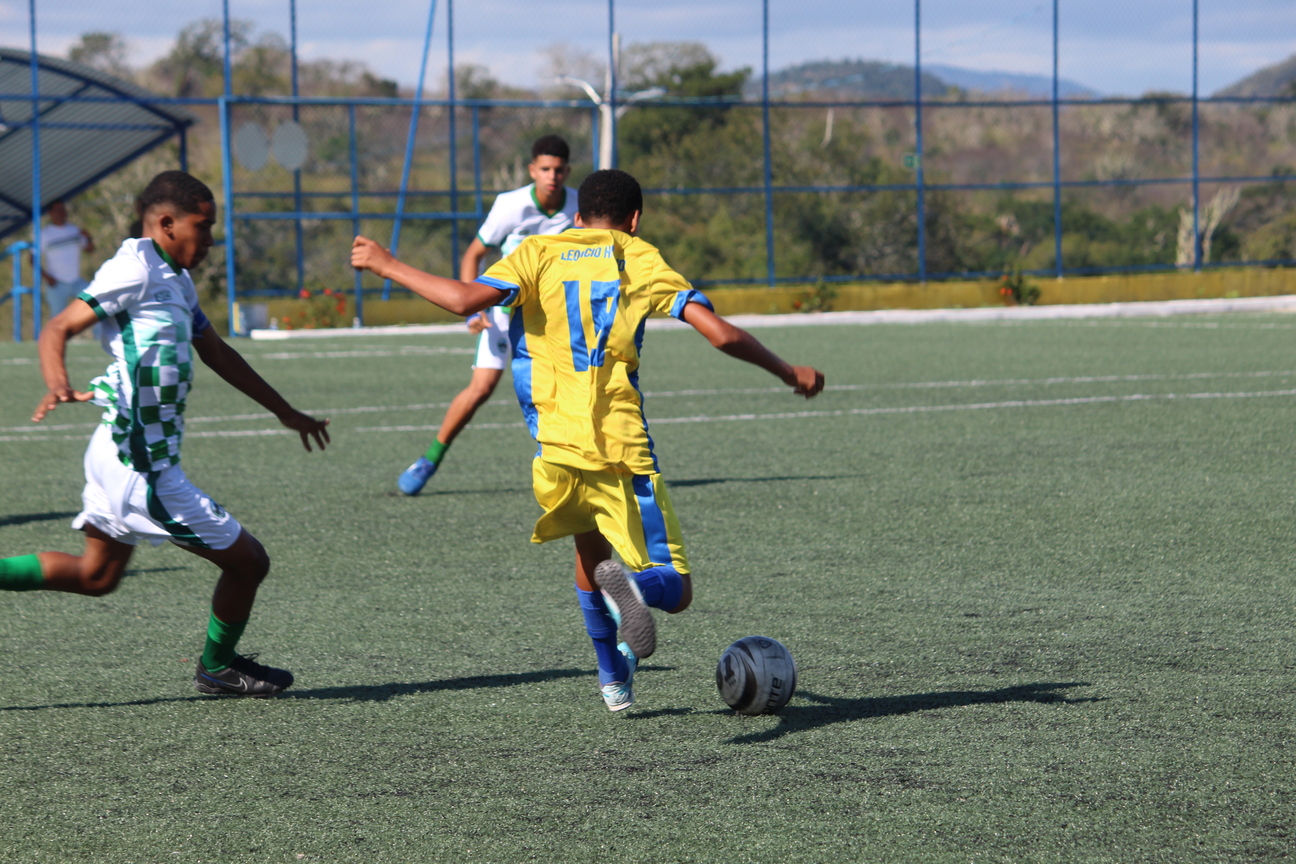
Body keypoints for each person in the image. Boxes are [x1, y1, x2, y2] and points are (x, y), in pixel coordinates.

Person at [352, 169, 825, 712]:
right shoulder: (639, 257)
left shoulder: (537, 251)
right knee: (675, 588)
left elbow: (462, 300)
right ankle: (636, 596)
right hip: (620, 446)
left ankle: (613, 674)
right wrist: (788, 371)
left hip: (554, 444)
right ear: (635, 219)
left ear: (577, 216)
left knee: (590, 553)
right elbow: (721, 334)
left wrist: (388, 265)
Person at [0, 171, 330, 697]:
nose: (212, 240)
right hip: (139, 464)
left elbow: (217, 353)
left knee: (96, 577)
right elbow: (58, 327)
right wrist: (57, 382)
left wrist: (285, 412)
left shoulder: (176, 279)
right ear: (167, 222)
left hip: (118, 450)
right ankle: (217, 667)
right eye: (204, 226)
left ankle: (217, 667)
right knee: (249, 562)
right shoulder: (133, 268)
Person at [397, 134, 579, 495]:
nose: (552, 176)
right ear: (532, 170)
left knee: (566, 390)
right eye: (545, 169)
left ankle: (572, 467)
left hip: (551, 320)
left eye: (559, 170)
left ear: (567, 172)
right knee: (480, 389)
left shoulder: (578, 206)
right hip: (504, 314)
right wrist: (474, 311)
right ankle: (429, 459)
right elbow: (473, 254)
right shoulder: (510, 206)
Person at [36, 199, 94, 319]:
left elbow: (89, 250)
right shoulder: (44, 234)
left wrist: (88, 237)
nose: (61, 213)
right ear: (50, 213)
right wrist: (47, 277)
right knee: (58, 319)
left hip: (76, 281)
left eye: (63, 210)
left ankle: (97, 333)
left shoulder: (75, 230)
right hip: (57, 283)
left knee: (94, 307)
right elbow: (32, 259)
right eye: (58, 210)